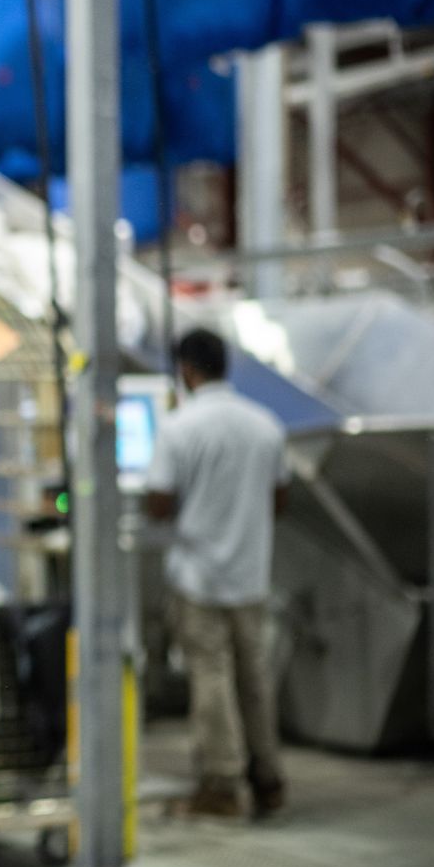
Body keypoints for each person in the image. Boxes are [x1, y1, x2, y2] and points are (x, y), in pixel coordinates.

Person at [144, 328, 290, 820]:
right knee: (255, 680)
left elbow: (159, 503)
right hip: (251, 576)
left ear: (186, 369)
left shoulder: (179, 428)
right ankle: (267, 779)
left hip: (199, 577)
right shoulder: (265, 425)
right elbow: (279, 499)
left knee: (211, 679)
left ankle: (222, 785)